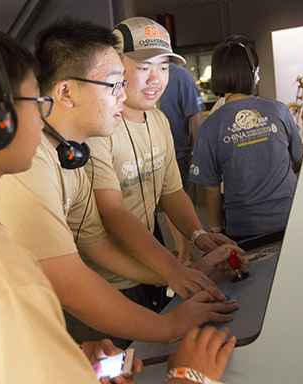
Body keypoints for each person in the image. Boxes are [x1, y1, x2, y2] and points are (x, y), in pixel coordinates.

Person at [0, 16, 241, 348]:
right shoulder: (30, 161)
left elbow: (99, 246)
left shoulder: (73, 158)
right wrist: (167, 325)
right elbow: (69, 280)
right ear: (65, 92)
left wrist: (183, 273)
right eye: (115, 84)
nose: (123, 96)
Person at [0, 11, 140, 383]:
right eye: (34, 102)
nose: (42, 117)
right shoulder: (3, 276)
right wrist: (189, 374)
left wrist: (65, 357)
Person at [84, 17, 240, 311]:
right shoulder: (99, 129)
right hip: (108, 281)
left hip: (151, 261)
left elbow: (172, 192)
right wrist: (174, 269)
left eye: (164, 67)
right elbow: (111, 211)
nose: (157, 79)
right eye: (144, 67)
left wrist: (200, 236)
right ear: (115, 66)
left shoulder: (159, 120)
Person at [189, 35, 303, 242]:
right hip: (292, 218)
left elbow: (211, 189)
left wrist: (217, 232)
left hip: (243, 228)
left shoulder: (210, 125)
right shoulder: (279, 110)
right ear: (253, 73)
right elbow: (299, 159)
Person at [159, 61, 206, 264]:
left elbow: (195, 118)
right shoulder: (177, 75)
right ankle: (182, 251)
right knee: (170, 206)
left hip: (180, 153)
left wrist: (198, 153)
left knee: (180, 203)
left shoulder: (180, 75)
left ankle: (185, 254)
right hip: (157, 154)